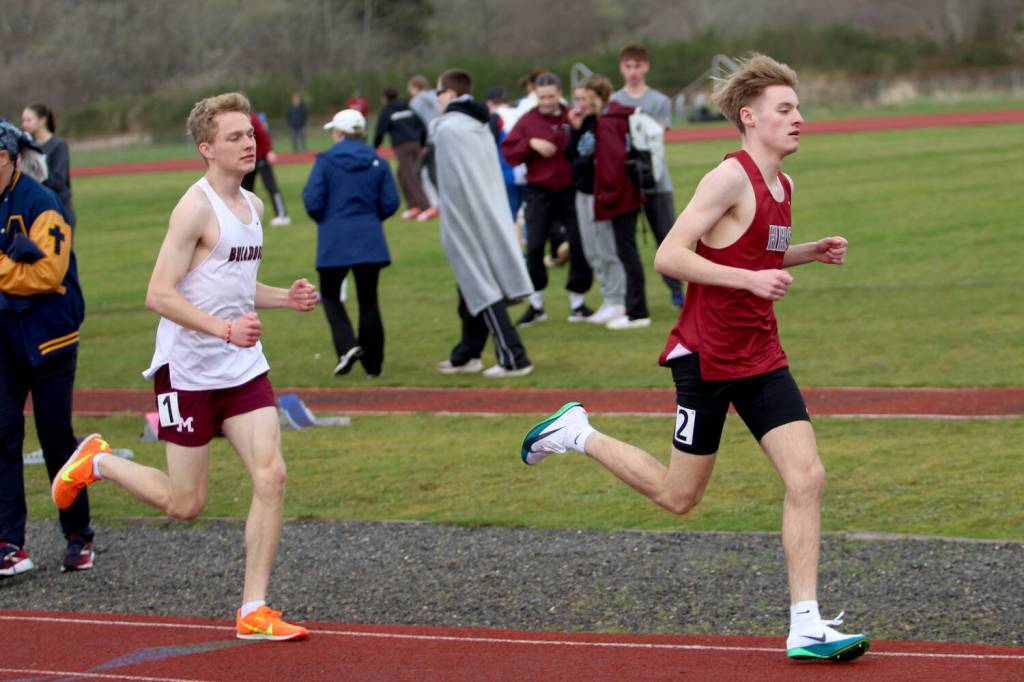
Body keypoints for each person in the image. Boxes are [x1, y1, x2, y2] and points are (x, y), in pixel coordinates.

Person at [520, 54, 869, 663]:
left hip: (760, 354)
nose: (799, 119)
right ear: (749, 117)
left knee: (807, 477)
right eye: (786, 110)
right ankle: (576, 432)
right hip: (705, 358)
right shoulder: (726, 178)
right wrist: (748, 283)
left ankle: (806, 623)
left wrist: (807, 252)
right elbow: (670, 255)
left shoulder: (784, 186)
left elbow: (751, 256)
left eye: (797, 108)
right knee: (680, 497)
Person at [50, 92, 318, 641]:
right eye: (235, 137)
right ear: (206, 149)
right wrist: (222, 329)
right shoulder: (194, 208)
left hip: (242, 367)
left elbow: (236, 290)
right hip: (189, 372)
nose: (250, 144)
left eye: (250, 134)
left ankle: (253, 609)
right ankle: (98, 461)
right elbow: (158, 294)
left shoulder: (255, 207)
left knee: (272, 475)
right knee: (185, 503)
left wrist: (283, 298)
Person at [0, 119, 93, 577]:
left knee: (56, 438)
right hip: (4, 334)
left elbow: (47, 275)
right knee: (2, 435)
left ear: (10, 158)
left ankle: (79, 535)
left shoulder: (42, 203)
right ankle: (9, 543)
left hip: (50, 334)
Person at [433, 68, 534, 378]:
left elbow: (451, 183)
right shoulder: (480, 124)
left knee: (481, 285)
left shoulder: (447, 128)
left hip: (466, 218)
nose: (436, 99)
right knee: (470, 286)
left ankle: (513, 357)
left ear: (449, 94)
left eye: (438, 92)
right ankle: (467, 353)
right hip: (488, 211)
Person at [304, 109, 399, 377]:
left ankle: (347, 346)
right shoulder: (378, 161)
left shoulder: (325, 161)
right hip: (370, 238)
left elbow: (312, 199)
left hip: (334, 239)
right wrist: (370, 218)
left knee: (331, 296)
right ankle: (374, 364)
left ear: (339, 133)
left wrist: (329, 220)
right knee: (369, 300)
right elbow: (390, 202)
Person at [501, 72, 594, 326]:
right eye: (542, 97)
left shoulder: (572, 116)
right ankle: (536, 305)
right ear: (536, 96)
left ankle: (578, 303)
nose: (548, 101)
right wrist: (531, 144)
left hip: (569, 190)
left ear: (560, 93)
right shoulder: (527, 120)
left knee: (578, 244)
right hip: (539, 191)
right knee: (534, 248)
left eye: (552, 96)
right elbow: (509, 153)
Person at [611, 43, 685, 308]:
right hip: (625, 183)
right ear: (621, 68)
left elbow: (655, 135)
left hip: (656, 181)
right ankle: (632, 299)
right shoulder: (614, 101)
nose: (633, 71)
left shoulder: (659, 101)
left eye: (637, 66)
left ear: (646, 67)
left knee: (667, 238)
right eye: (628, 66)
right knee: (625, 243)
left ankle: (677, 289)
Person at [566, 75, 627, 326]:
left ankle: (618, 301)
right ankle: (608, 298)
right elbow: (571, 155)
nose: (582, 103)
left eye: (587, 98)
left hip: (599, 193)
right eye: (578, 99)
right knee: (591, 251)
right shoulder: (586, 123)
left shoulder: (605, 122)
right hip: (582, 191)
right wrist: (575, 128)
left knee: (607, 249)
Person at [373, 86, 430, 220]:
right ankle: (413, 206)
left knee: (410, 176)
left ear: (384, 98)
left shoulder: (387, 110)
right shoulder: (407, 106)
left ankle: (425, 207)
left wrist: (375, 147)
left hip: (402, 146)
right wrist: (422, 143)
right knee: (402, 175)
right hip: (416, 143)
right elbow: (421, 125)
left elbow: (380, 130)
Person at [20, 104, 75, 227]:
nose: (24, 124)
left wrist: (39, 171)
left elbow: (59, 182)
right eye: (23, 120)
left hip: (59, 208)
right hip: (37, 209)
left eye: (29, 120)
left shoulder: (58, 145)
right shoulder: (28, 148)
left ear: (42, 120)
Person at [242, 110, 291, 226]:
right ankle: (247, 217)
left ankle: (282, 215)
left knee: (271, 186)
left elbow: (263, 135)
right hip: (249, 159)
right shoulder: (239, 120)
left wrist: (269, 151)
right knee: (245, 189)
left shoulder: (253, 119)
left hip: (261, 157)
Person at [407, 75, 441, 222]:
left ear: (415, 87)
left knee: (425, 173)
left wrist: (421, 143)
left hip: (429, 140)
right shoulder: (437, 95)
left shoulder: (416, 101)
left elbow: (417, 123)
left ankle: (435, 205)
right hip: (443, 136)